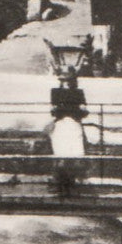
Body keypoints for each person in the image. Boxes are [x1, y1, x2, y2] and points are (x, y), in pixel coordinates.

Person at [49, 65, 88, 199]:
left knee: (74, 155)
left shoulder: (78, 92)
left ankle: (71, 184)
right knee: (61, 155)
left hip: (74, 124)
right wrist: (72, 110)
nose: (67, 82)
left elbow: (83, 110)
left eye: (69, 79)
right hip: (61, 124)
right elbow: (54, 110)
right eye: (64, 79)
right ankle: (61, 185)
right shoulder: (55, 92)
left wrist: (69, 110)